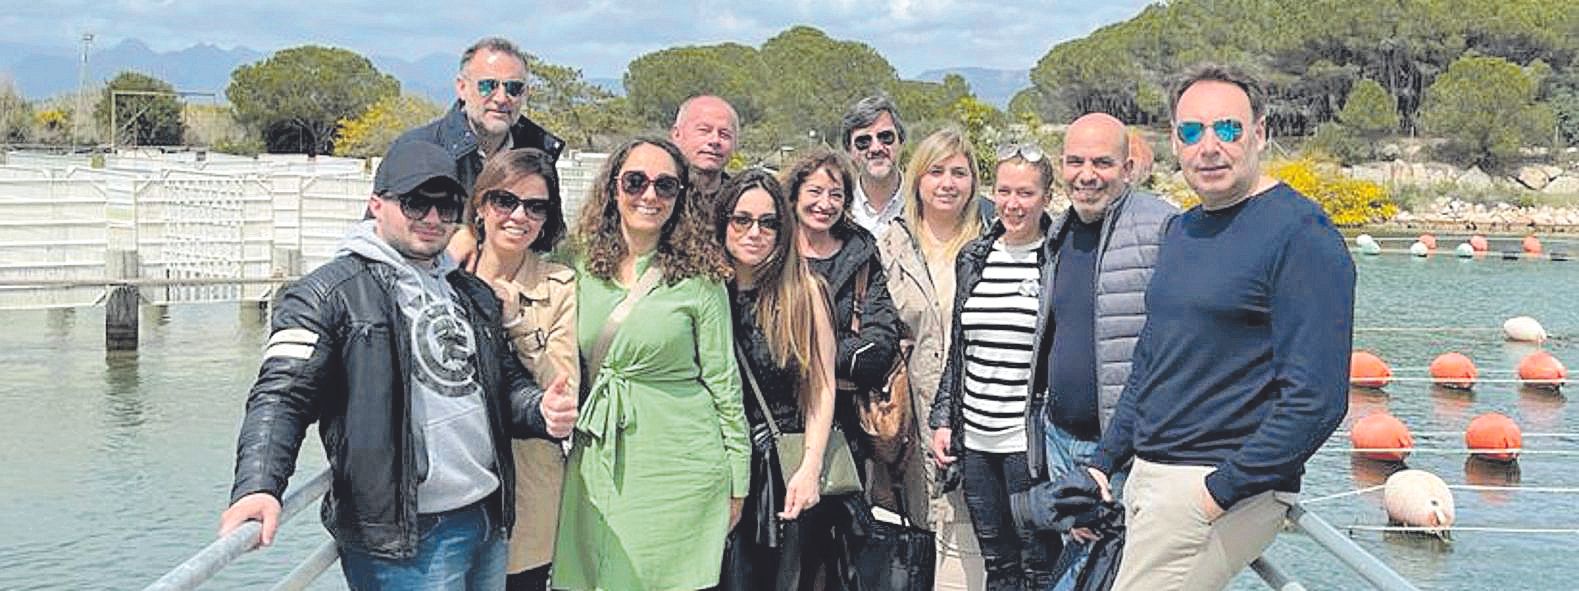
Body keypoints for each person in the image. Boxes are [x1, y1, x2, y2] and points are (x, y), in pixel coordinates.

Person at [218, 140, 577, 590]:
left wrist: (541, 409)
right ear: (376, 204)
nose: (431, 218)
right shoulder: (327, 294)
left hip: (488, 517)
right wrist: (258, 486)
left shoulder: (470, 293)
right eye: (415, 202)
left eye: (445, 206)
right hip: (406, 540)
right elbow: (281, 396)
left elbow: (503, 382)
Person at [1086, 63, 1356, 590]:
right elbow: (1152, 360)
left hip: (1215, 491)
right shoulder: (1185, 228)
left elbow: (1317, 400)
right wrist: (1105, 461)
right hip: (1147, 479)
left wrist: (1217, 493)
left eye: (1228, 129)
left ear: (1260, 133)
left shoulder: (1303, 236)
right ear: (1174, 142)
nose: (1209, 146)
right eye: (1192, 131)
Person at [552, 137, 749, 590]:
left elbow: (724, 384)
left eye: (665, 185)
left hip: (680, 464)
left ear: (681, 197)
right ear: (613, 188)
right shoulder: (577, 263)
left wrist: (739, 478)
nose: (649, 195)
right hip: (600, 455)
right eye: (636, 181)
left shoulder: (701, 278)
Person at [1008, 112, 1178, 590]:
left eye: (1102, 162)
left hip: (1121, 451)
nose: (1087, 174)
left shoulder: (1160, 225)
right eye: (1075, 161)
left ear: (1127, 168)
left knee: (1101, 573)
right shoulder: (1058, 233)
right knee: (1079, 562)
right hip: (1060, 438)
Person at [930, 140, 1061, 591]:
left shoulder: (1057, 261)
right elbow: (958, 347)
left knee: (1038, 562)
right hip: (976, 441)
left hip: (1027, 444)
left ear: (1046, 196)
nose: (1012, 203)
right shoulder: (976, 256)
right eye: (1004, 191)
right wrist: (944, 418)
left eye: (1025, 193)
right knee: (998, 564)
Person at [456, 148, 578, 591]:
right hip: (453, 479)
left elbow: (561, 389)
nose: (518, 216)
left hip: (529, 487)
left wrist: (515, 322)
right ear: (482, 206)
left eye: (535, 207)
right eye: (505, 201)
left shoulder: (559, 285)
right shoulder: (444, 274)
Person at [781, 147, 902, 584]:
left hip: (842, 431)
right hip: (769, 422)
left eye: (835, 194)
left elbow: (881, 343)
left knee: (826, 553)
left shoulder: (860, 255)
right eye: (814, 191)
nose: (824, 203)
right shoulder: (770, 248)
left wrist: (820, 355)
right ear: (794, 194)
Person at [713, 169, 838, 590]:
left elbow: (821, 387)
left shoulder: (804, 291)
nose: (755, 232)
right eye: (741, 220)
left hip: (781, 473)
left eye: (768, 222)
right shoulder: (702, 293)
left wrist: (810, 466)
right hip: (714, 467)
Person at [875, 127, 989, 590]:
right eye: (935, 171)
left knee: (970, 550)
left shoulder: (994, 239)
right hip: (907, 424)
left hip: (979, 417)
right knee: (916, 543)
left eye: (959, 172)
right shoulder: (889, 244)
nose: (947, 183)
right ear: (917, 179)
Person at [400, 36, 562, 267]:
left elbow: (548, 238)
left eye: (514, 88)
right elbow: (384, 234)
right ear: (462, 87)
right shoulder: (418, 149)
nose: (501, 98)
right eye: (488, 85)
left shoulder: (539, 154)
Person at [841, 95, 908, 237]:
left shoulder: (925, 203)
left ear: (901, 141)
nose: (876, 148)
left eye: (885, 137)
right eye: (863, 141)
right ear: (849, 150)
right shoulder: (838, 209)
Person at [671, 95, 740, 214]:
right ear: (677, 135)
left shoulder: (740, 202)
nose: (715, 141)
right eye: (704, 130)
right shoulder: (657, 194)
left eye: (724, 134)